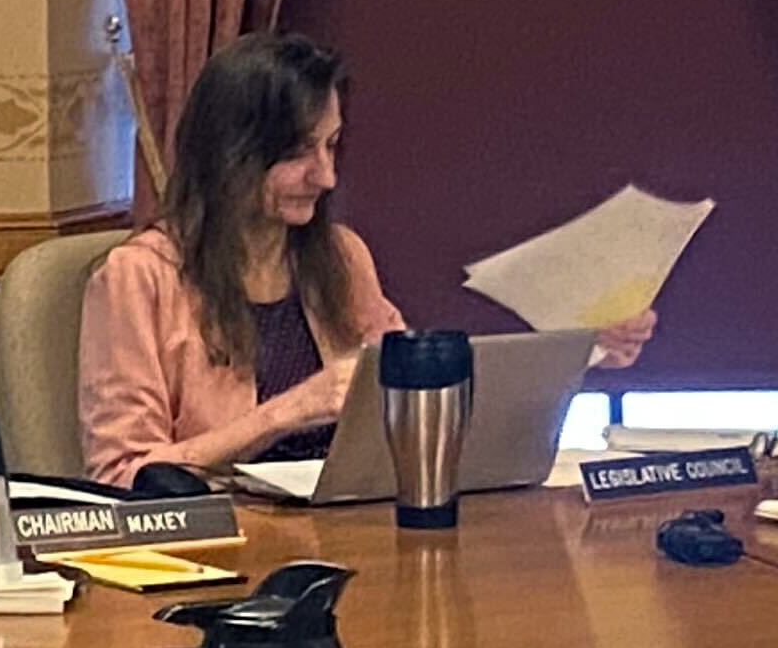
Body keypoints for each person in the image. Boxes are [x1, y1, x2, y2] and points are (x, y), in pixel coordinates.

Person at [79, 32, 654, 486]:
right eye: (299, 153)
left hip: (352, 524)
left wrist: (580, 353)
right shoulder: (138, 278)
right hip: (229, 545)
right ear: (232, 154)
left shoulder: (341, 256)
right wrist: (287, 412)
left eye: (331, 145)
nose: (326, 176)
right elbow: (124, 474)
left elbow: (422, 397)